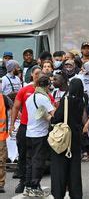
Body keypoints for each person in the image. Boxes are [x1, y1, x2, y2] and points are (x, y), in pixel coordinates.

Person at [9, 66, 46, 194]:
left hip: (38, 129)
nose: (38, 75)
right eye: (36, 73)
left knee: (36, 158)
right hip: (24, 127)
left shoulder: (44, 91)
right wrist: (12, 124)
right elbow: (15, 107)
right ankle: (23, 181)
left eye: (40, 73)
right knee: (23, 155)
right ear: (31, 75)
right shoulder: (25, 90)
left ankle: (35, 183)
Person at [50, 79, 86, 199]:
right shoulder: (81, 101)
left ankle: (58, 193)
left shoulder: (66, 100)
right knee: (74, 168)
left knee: (59, 167)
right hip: (75, 136)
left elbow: (56, 118)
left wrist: (51, 115)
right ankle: (76, 194)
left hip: (64, 137)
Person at [25, 75, 56, 197]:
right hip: (40, 134)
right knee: (39, 161)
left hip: (29, 132)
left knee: (30, 161)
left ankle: (28, 187)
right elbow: (53, 114)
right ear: (47, 86)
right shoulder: (44, 98)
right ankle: (34, 187)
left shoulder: (30, 98)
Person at [0, 90, 13, 193]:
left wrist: (13, 124)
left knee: (1, 160)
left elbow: (14, 107)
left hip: (1, 136)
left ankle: (0, 184)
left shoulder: (3, 98)